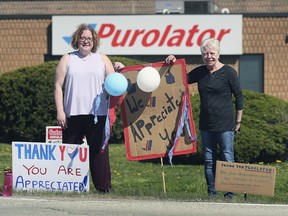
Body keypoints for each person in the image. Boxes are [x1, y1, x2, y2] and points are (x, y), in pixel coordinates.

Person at [166, 38, 243, 199]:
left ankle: (229, 195)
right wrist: (171, 63)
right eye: (205, 53)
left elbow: (239, 96)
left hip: (225, 124)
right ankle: (212, 194)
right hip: (206, 124)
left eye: (212, 53)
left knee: (227, 158)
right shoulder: (200, 72)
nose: (208, 56)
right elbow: (181, 79)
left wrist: (238, 121)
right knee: (209, 160)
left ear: (218, 54)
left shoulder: (229, 72)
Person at [54, 23, 123, 193]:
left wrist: (119, 69)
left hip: (97, 114)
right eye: (83, 37)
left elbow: (113, 81)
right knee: (69, 152)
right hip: (72, 114)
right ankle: (68, 186)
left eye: (89, 38)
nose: (86, 41)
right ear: (77, 39)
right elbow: (57, 86)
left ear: (94, 41)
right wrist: (60, 111)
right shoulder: (67, 58)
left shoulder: (102, 58)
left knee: (99, 153)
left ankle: (104, 188)